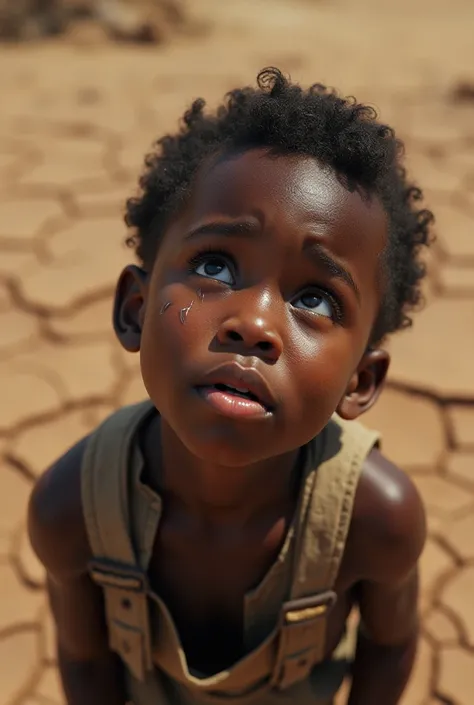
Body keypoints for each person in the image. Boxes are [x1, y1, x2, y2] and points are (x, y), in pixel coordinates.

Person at [27, 67, 432, 705]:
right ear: (135, 309)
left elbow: (391, 646)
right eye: (215, 265)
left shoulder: (376, 519)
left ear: (359, 381)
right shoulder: (72, 507)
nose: (256, 323)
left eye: (315, 300)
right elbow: (84, 662)